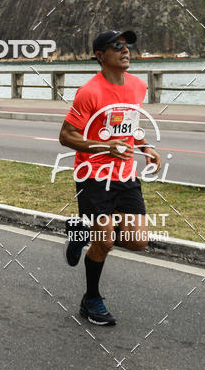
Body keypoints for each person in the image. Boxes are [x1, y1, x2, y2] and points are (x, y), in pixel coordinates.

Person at [59, 29, 161, 326]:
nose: (125, 49)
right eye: (116, 46)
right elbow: (66, 136)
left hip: (126, 175)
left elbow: (131, 125)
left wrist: (145, 146)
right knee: (104, 243)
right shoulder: (89, 92)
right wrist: (105, 146)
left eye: (127, 45)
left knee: (138, 241)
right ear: (100, 56)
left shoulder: (138, 86)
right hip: (93, 175)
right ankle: (91, 299)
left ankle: (80, 231)